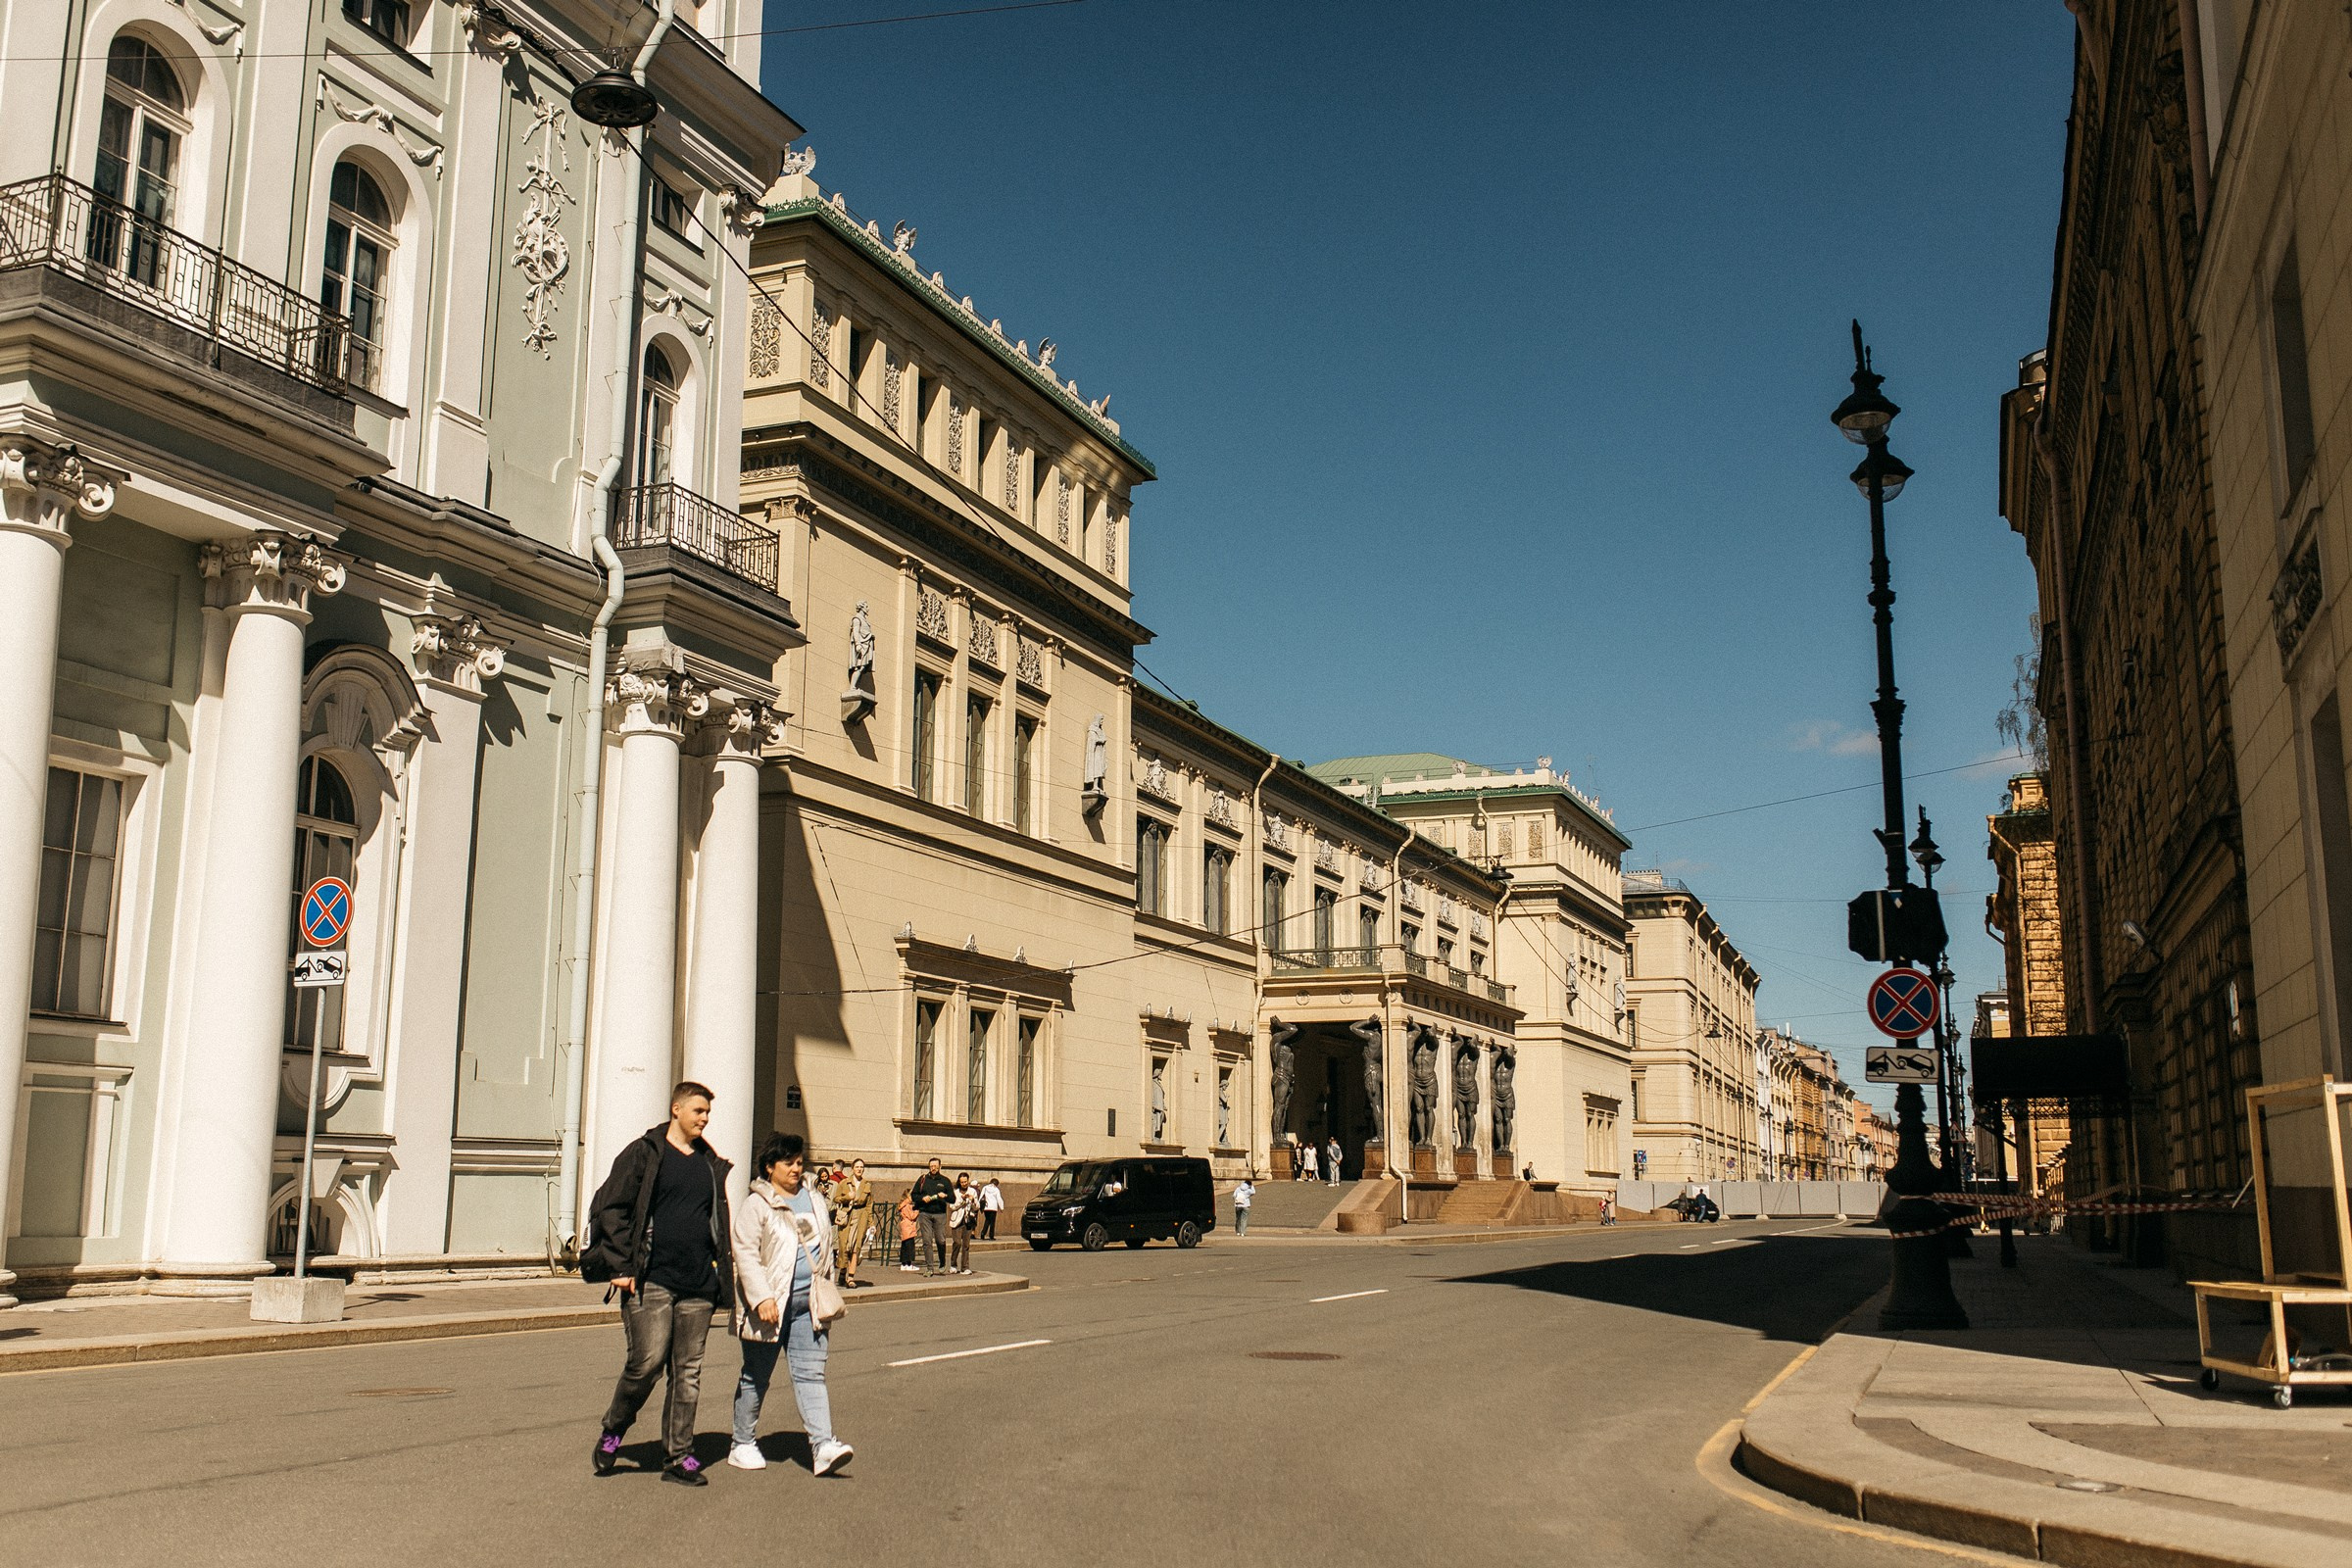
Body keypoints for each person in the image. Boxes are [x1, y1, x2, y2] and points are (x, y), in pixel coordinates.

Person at [586, 1081, 733, 1487]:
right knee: (646, 1364)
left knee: (687, 1372)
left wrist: (724, 1273)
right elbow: (610, 1207)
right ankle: (615, 1428)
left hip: (698, 1283)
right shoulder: (645, 1153)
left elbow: (716, 1220)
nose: (705, 1119)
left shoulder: (708, 1161)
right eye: (698, 1111)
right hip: (650, 1279)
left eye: (707, 1113)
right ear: (676, 1109)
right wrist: (620, 1264)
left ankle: (679, 1456)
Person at [728, 1132, 853, 1477]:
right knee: (756, 1376)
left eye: (800, 1162)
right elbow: (745, 1253)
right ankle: (742, 1443)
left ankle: (823, 1445)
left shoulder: (813, 1198)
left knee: (811, 1375)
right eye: (788, 1162)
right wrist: (761, 1297)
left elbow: (823, 1246)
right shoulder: (757, 1204)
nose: (797, 1168)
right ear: (770, 1167)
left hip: (808, 1305)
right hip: (770, 1305)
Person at [831, 1157, 873, 1289]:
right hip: (847, 1217)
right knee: (845, 1247)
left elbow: (869, 1205)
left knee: (856, 1248)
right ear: (852, 1169)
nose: (859, 1169)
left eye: (861, 1167)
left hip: (861, 1217)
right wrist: (847, 1197)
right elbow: (836, 1199)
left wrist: (871, 1223)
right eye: (857, 1167)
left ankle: (851, 1277)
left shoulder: (867, 1184)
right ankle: (843, 1271)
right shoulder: (844, 1183)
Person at [911, 1156, 954, 1275]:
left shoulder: (945, 1181)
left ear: (940, 1166)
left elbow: (953, 1199)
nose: (933, 1168)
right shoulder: (923, 1179)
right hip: (925, 1213)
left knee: (940, 1240)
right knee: (927, 1241)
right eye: (931, 1166)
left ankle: (942, 1261)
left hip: (939, 1214)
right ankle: (929, 1267)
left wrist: (945, 1196)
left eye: (935, 1166)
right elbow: (914, 1195)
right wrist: (922, 1198)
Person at [946, 1173, 977, 1275]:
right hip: (957, 1221)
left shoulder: (973, 1191)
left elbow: (977, 1207)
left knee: (966, 1245)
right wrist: (962, 1201)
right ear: (959, 1182)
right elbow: (952, 1207)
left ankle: (965, 1267)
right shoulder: (955, 1192)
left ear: (968, 1181)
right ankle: (953, 1264)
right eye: (962, 1182)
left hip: (968, 1221)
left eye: (965, 1182)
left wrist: (972, 1200)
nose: (964, 1184)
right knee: (957, 1243)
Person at [896, 1190, 919, 1271]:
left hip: (905, 1227)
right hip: (909, 1227)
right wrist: (917, 1211)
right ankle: (909, 1264)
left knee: (904, 1246)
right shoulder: (907, 1205)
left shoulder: (903, 1205)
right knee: (910, 1246)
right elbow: (912, 1216)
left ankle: (904, 1264)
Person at [979, 1175, 1004, 1240]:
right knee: (992, 1222)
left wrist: (979, 1204)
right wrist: (1001, 1207)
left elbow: (981, 1196)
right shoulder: (996, 1189)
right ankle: (991, 1235)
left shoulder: (985, 1187)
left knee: (987, 1220)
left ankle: (983, 1233)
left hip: (986, 1207)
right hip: (993, 1207)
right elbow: (999, 1199)